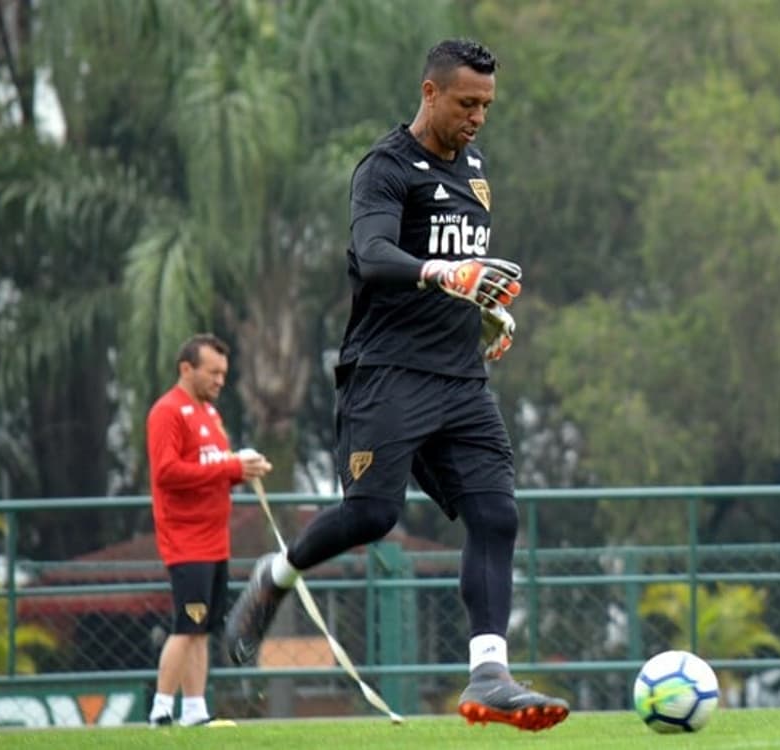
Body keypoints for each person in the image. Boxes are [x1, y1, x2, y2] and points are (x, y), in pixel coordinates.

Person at [223, 38, 569, 732]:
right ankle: (276, 574)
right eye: (467, 103)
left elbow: (463, 265)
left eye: (487, 106)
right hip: (387, 375)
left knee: (497, 514)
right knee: (373, 516)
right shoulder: (385, 169)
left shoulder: (474, 167)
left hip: (460, 379)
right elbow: (375, 255)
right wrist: (446, 277)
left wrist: (490, 313)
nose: (478, 117)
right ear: (430, 92)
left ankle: (490, 673)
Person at [147, 333, 273, 727]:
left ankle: (195, 711)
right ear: (187, 369)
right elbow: (167, 473)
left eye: (224, 373)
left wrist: (243, 469)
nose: (221, 380)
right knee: (186, 627)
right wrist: (231, 467)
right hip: (186, 542)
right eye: (213, 372)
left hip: (215, 540)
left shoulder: (210, 415)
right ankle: (161, 710)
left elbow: (211, 469)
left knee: (201, 630)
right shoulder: (167, 412)